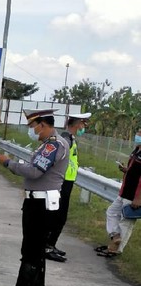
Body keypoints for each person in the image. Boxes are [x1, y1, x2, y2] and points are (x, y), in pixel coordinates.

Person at [0, 108, 69, 286]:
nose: (32, 131)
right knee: (36, 249)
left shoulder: (54, 145)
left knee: (31, 251)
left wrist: (7, 162)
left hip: (41, 206)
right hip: (39, 203)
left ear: (42, 125)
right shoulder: (49, 144)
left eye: (33, 127)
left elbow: (34, 171)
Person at [45, 112, 91, 262]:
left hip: (66, 181)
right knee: (58, 216)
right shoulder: (66, 139)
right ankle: (47, 246)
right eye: (83, 124)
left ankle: (51, 244)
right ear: (77, 124)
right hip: (62, 182)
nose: (84, 127)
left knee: (59, 216)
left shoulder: (70, 138)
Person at [97, 127, 141, 257]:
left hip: (134, 195)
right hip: (125, 190)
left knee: (126, 222)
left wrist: (139, 198)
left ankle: (116, 250)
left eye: (140, 132)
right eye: (137, 132)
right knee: (111, 212)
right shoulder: (136, 150)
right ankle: (115, 237)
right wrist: (126, 170)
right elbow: (136, 171)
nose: (137, 134)